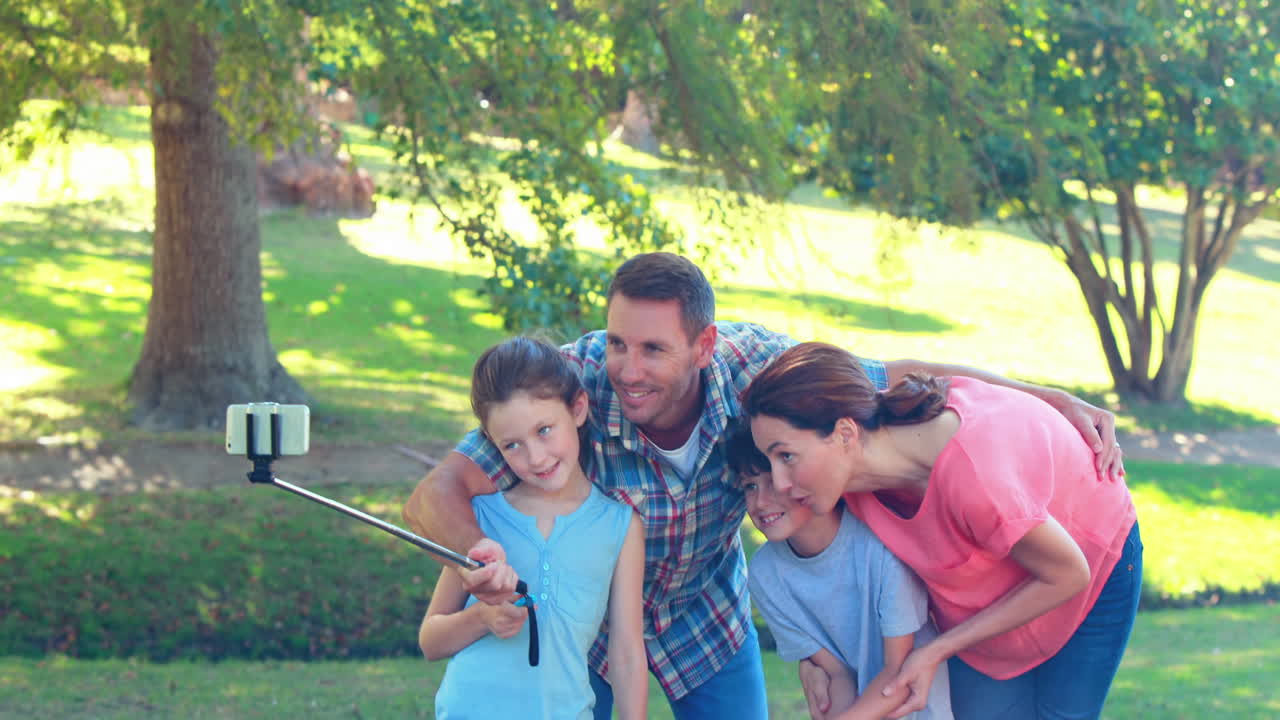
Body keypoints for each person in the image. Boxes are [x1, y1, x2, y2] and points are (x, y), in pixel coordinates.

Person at [403, 252, 1125, 720]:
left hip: (704, 620)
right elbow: (433, 494)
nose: (626, 368)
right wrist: (480, 559)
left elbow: (895, 374)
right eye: (618, 341)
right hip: (586, 633)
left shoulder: (759, 369)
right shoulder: (571, 388)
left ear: (705, 346)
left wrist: (1045, 396)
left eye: (653, 349)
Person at [741, 342, 1142, 720]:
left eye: (786, 456)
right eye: (770, 460)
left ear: (845, 434)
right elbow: (916, 369)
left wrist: (936, 650)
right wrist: (813, 660)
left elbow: (1068, 573)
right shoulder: (852, 428)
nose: (779, 484)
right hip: (989, 591)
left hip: (1090, 559)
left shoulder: (974, 478)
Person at [417, 336, 647, 719]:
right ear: (492, 442)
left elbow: (625, 653)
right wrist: (482, 618)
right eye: (512, 445)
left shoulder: (621, 525)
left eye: (544, 430)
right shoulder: (480, 518)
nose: (536, 458)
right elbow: (430, 641)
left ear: (577, 409)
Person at [728, 425, 954, 720]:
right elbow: (836, 674)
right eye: (750, 486)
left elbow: (899, 673)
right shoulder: (765, 574)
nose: (760, 502)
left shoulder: (880, 544)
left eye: (772, 482)